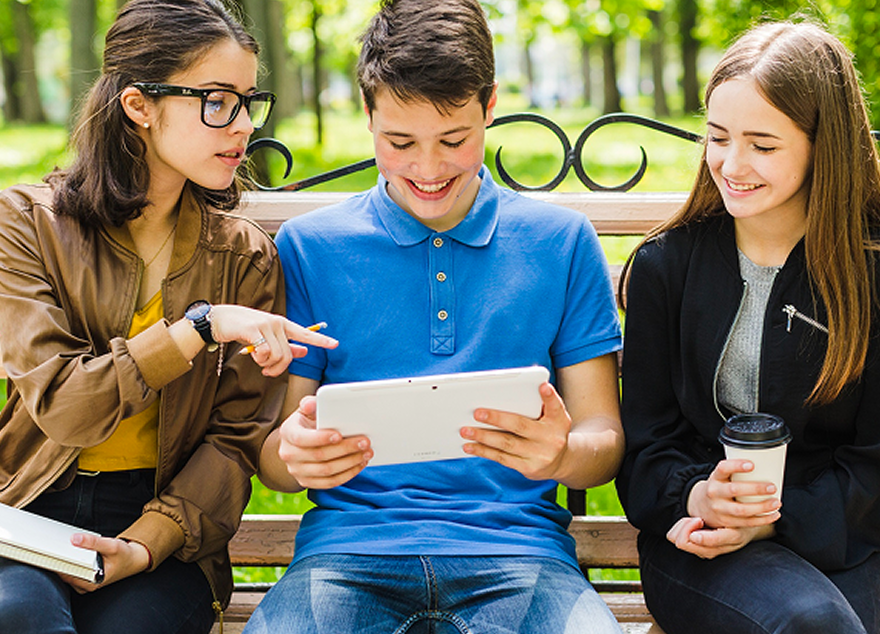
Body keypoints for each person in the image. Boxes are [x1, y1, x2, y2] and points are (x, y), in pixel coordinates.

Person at [243, 1, 624, 632]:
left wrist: (561, 456)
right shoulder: (312, 247)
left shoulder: (560, 242)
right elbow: (276, 456)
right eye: (400, 143)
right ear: (367, 115)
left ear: (490, 106)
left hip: (521, 552)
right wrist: (295, 457)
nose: (427, 169)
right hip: (347, 554)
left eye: (454, 140)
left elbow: (602, 440)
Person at [0, 1, 337, 633]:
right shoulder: (26, 225)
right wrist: (199, 328)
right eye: (217, 101)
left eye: (248, 102)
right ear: (139, 105)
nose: (242, 125)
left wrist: (146, 544)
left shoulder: (243, 256)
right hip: (27, 509)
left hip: (168, 527)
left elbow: (235, 440)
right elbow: (67, 408)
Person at [616, 20, 880, 634]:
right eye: (717, 138)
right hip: (705, 539)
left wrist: (775, 519)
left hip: (853, 529)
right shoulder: (666, 267)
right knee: (812, 623)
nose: (731, 165)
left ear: (824, 147)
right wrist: (700, 497)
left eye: (762, 145)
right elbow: (646, 448)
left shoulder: (869, 274)